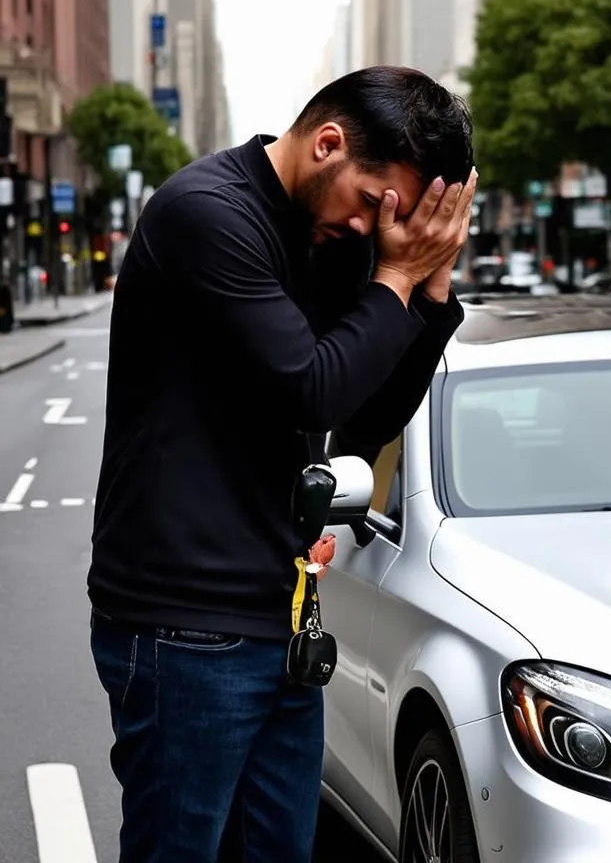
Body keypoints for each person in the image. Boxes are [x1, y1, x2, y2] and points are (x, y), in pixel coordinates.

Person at [87, 65, 477, 862]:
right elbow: (312, 391)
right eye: (375, 202)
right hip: (182, 624)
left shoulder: (327, 237)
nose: (376, 229)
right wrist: (396, 278)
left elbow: (361, 415)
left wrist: (428, 296)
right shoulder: (206, 214)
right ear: (328, 143)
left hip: (281, 617)